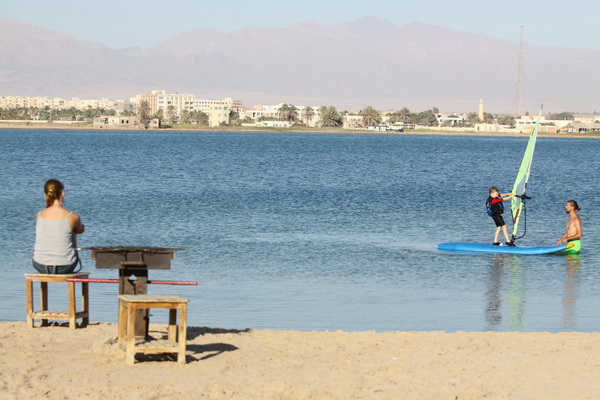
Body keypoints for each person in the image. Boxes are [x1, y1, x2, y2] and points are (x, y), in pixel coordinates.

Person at [32, 179, 85, 274]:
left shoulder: (39, 215)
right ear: (63, 193)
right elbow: (80, 230)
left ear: (45, 195)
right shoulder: (72, 216)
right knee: (72, 230)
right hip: (65, 266)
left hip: (39, 265)